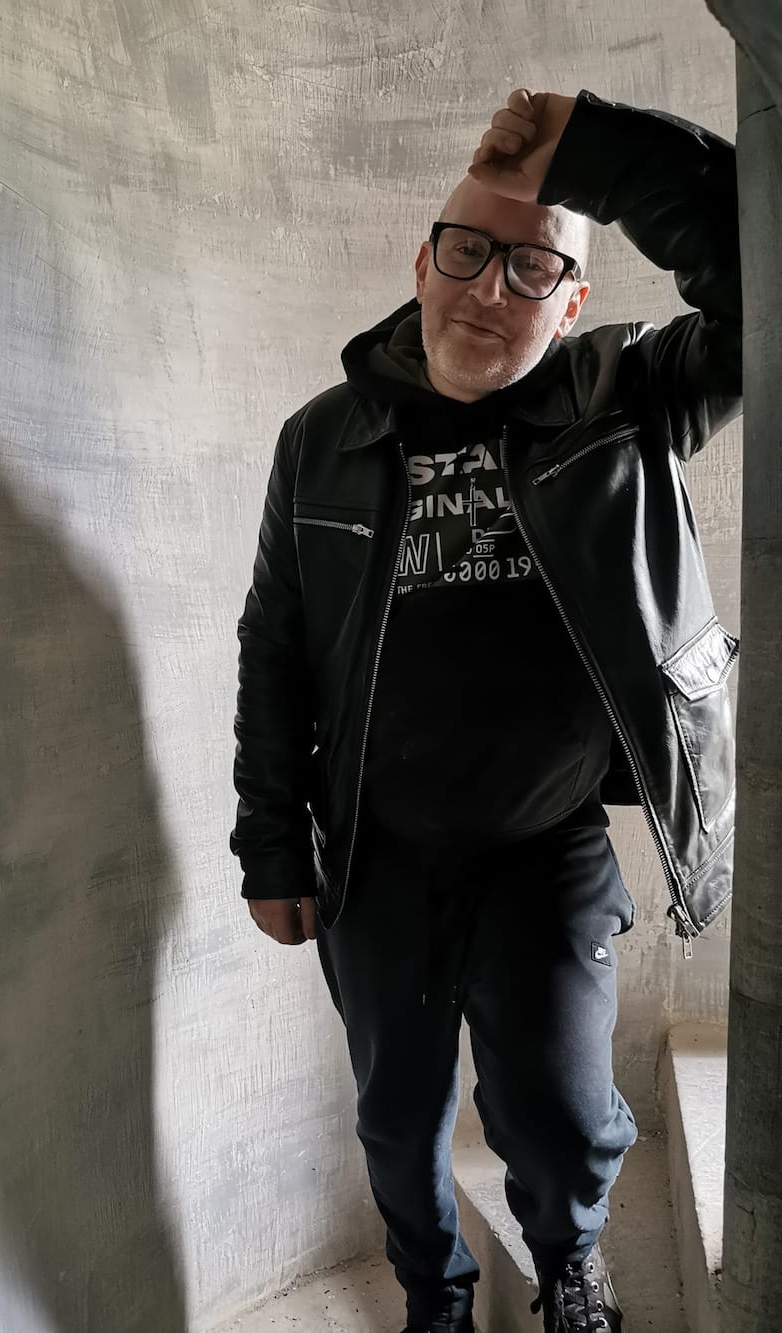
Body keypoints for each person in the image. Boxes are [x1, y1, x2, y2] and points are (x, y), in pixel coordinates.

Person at [230, 87, 741, 1333]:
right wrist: (270, 843)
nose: (487, 289)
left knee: (560, 1114)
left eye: (532, 267)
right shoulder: (320, 439)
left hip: (543, 841)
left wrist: (595, 154)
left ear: (571, 301)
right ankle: (434, 1297)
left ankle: (570, 1264)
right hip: (374, 849)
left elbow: (767, 277)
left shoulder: (625, 394)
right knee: (396, 1115)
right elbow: (276, 646)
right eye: (465, 251)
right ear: (422, 263)